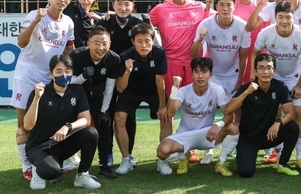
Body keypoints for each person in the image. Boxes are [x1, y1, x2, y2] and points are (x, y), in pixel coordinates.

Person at [12, 0, 76, 181]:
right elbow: (21, 43)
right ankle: (26, 165)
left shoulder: (68, 22)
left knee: (50, 122)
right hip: (27, 74)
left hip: (51, 78)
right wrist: (35, 22)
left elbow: (69, 52)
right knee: (24, 124)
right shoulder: (34, 15)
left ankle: (50, 159)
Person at [250, 0, 301, 172]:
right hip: (274, 77)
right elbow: (255, 52)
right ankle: (278, 156)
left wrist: (299, 85)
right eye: (280, 17)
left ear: (294, 17)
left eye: (288, 17)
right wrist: (252, 73)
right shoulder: (266, 33)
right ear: (275, 17)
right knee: (275, 114)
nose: (284, 21)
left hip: (294, 78)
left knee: (299, 115)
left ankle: (300, 157)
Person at [24, 55, 100, 191]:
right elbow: (28, 125)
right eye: (59, 71)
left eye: (67, 71)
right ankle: (38, 169)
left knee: (91, 133)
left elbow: (86, 119)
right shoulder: (40, 93)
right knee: (50, 172)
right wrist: (36, 98)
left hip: (62, 143)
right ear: (51, 73)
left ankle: (82, 175)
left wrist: (68, 126)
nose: (64, 75)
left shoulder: (77, 90)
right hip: (39, 147)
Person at [156, 58, 240, 177]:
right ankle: (183, 157)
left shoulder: (217, 89)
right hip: (185, 135)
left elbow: (229, 114)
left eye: (204, 72)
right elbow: (170, 113)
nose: (200, 76)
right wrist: (174, 88)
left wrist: (217, 125)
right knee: (162, 152)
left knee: (233, 128)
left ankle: (221, 163)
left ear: (211, 74)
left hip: (207, 135)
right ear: (192, 74)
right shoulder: (183, 91)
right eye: (196, 72)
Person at [225, 53, 300, 177]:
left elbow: (291, 113)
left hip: (269, 135)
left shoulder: (280, 87)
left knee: (293, 127)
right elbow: (228, 110)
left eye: (269, 68)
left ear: (274, 70)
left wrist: (278, 122)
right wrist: (246, 93)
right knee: (245, 172)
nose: (265, 72)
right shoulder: (247, 88)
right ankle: (243, 152)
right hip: (248, 139)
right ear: (255, 71)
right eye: (261, 68)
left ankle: (282, 164)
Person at [114, 23, 169, 175]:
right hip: (130, 91)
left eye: (147, 40)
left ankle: (163, 160)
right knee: (119, 118)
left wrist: (163, 106)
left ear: (153, 40)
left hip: (152, 90)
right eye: (139, 41)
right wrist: (127, 71)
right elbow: (120, 88)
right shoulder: (125, 56)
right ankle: (126, 160)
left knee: (166, 117)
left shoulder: (159, 53)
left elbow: (160, 81)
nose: (143, 44)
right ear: (133, 42)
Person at [149, 0, 213, 102]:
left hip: (194, 63)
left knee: (194, 104)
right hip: (170, 62)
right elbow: (142, 24)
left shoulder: (200, 7)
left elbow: (220, 18)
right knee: (170, 104)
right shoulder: (160, 9)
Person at [68, 27, 121, 179]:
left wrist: (105, 111)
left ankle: (104, 165)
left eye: (104, 43)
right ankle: (62, 162)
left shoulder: (114, 59)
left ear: (109, 44)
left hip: (98, 96)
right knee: (71, 127)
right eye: (96, 43)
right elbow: (68, 83)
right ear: (88, 43)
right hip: (77, 95)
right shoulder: (77, 56)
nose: (101, 48)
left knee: (103, 127)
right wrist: (83, 76)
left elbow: (110, 87)